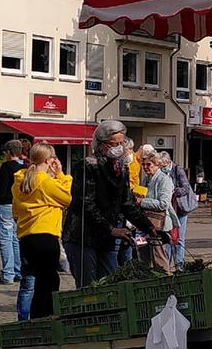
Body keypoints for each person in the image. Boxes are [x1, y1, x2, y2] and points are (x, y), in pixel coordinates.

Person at [63, 121, 163, 285]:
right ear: (101, 144)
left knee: (111, 281)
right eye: (113, 144)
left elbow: (127, 203)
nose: (118, 147)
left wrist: (149, 227)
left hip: (106, 237)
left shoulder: (121, 168)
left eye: (121, 143)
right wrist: (111, 229)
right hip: (82, 236)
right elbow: (86, 205)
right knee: (89, 286)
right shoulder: (87, 165)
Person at [12, 144, 71, 319]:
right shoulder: (45, 182)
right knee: (49, 282)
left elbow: (16, 210)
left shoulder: (19, 181)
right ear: (49, 160)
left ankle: (33, 318)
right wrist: (61, 175)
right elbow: (67, 198)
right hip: (46, 235)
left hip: (26, 237)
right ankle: (44, 320)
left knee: (37, 281)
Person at [0, 140, 27, 285]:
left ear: (8, 153)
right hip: (18, 206)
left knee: (5, 240)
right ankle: (18, 272)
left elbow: (0, 189)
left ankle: (8, 275)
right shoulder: (24, 168)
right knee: (16, 240)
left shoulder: (6, 167)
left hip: (5, 205)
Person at [138, 152, 176, 272]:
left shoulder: (164, 180)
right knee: (142, 257)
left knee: (158, 258)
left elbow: (163, 204)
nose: (145, 167)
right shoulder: (146, 179)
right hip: (143, 225)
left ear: (157, 165)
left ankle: (166, 284)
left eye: (148, 164)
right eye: (143, 165)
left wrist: (142, 202)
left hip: (158, 226)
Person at [169, 158, 197, 267]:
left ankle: (179, 263)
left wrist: (174, 191)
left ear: (168, 162)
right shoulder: (160, 171)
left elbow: (186, 187)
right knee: (169, 237)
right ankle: (168, 263)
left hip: (181, 208)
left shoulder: (177, 170)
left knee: (179, 237)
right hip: (169, 208)